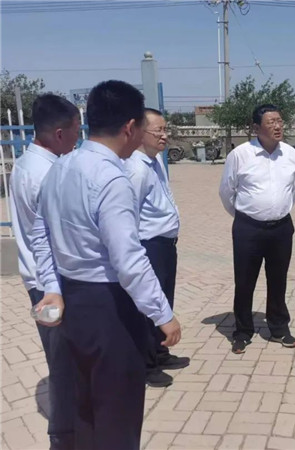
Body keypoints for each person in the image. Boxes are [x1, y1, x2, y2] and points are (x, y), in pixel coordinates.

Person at [31, 80, 182, 450]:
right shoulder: (112, 178)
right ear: (130, 127)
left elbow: (39, 235)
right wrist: (163, 314)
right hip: (110, 307)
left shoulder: (61, 167)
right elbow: (128, 260)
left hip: (72, 302)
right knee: (118, 411)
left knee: (85, 406)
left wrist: (52, 286)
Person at [9, 94, 80, 450]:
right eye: (76, 131)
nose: (79, 139)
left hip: (38, 281)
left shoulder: (24, 164)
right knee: (66, 366)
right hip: (54, 285)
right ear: (59, 133)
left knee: (61, 360)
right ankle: (63, 438)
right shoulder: (49, 173)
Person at [219, 104, 295, 354]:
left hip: (281, 228)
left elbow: (294, 190)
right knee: (245, 281)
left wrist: (277, 210)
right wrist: (246, 217)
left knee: (278, 280)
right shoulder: (240, 155)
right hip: (248, 229)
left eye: (280, 121)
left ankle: (278, 328)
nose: (277, 126)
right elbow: (226, 192)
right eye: (271, 122)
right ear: (256, 128)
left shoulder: (290, 154)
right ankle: (243, 331)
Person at [124, 108, 189, 388]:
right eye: (158, 131)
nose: (164, 135)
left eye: (165, 129)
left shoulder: (156, 161)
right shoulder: (136, 170)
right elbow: (129, 216)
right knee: (149, 304)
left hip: (165, 244)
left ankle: (160, 351)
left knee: (164, 300)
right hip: (149, 246)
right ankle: (146, 364)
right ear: (139, 132)